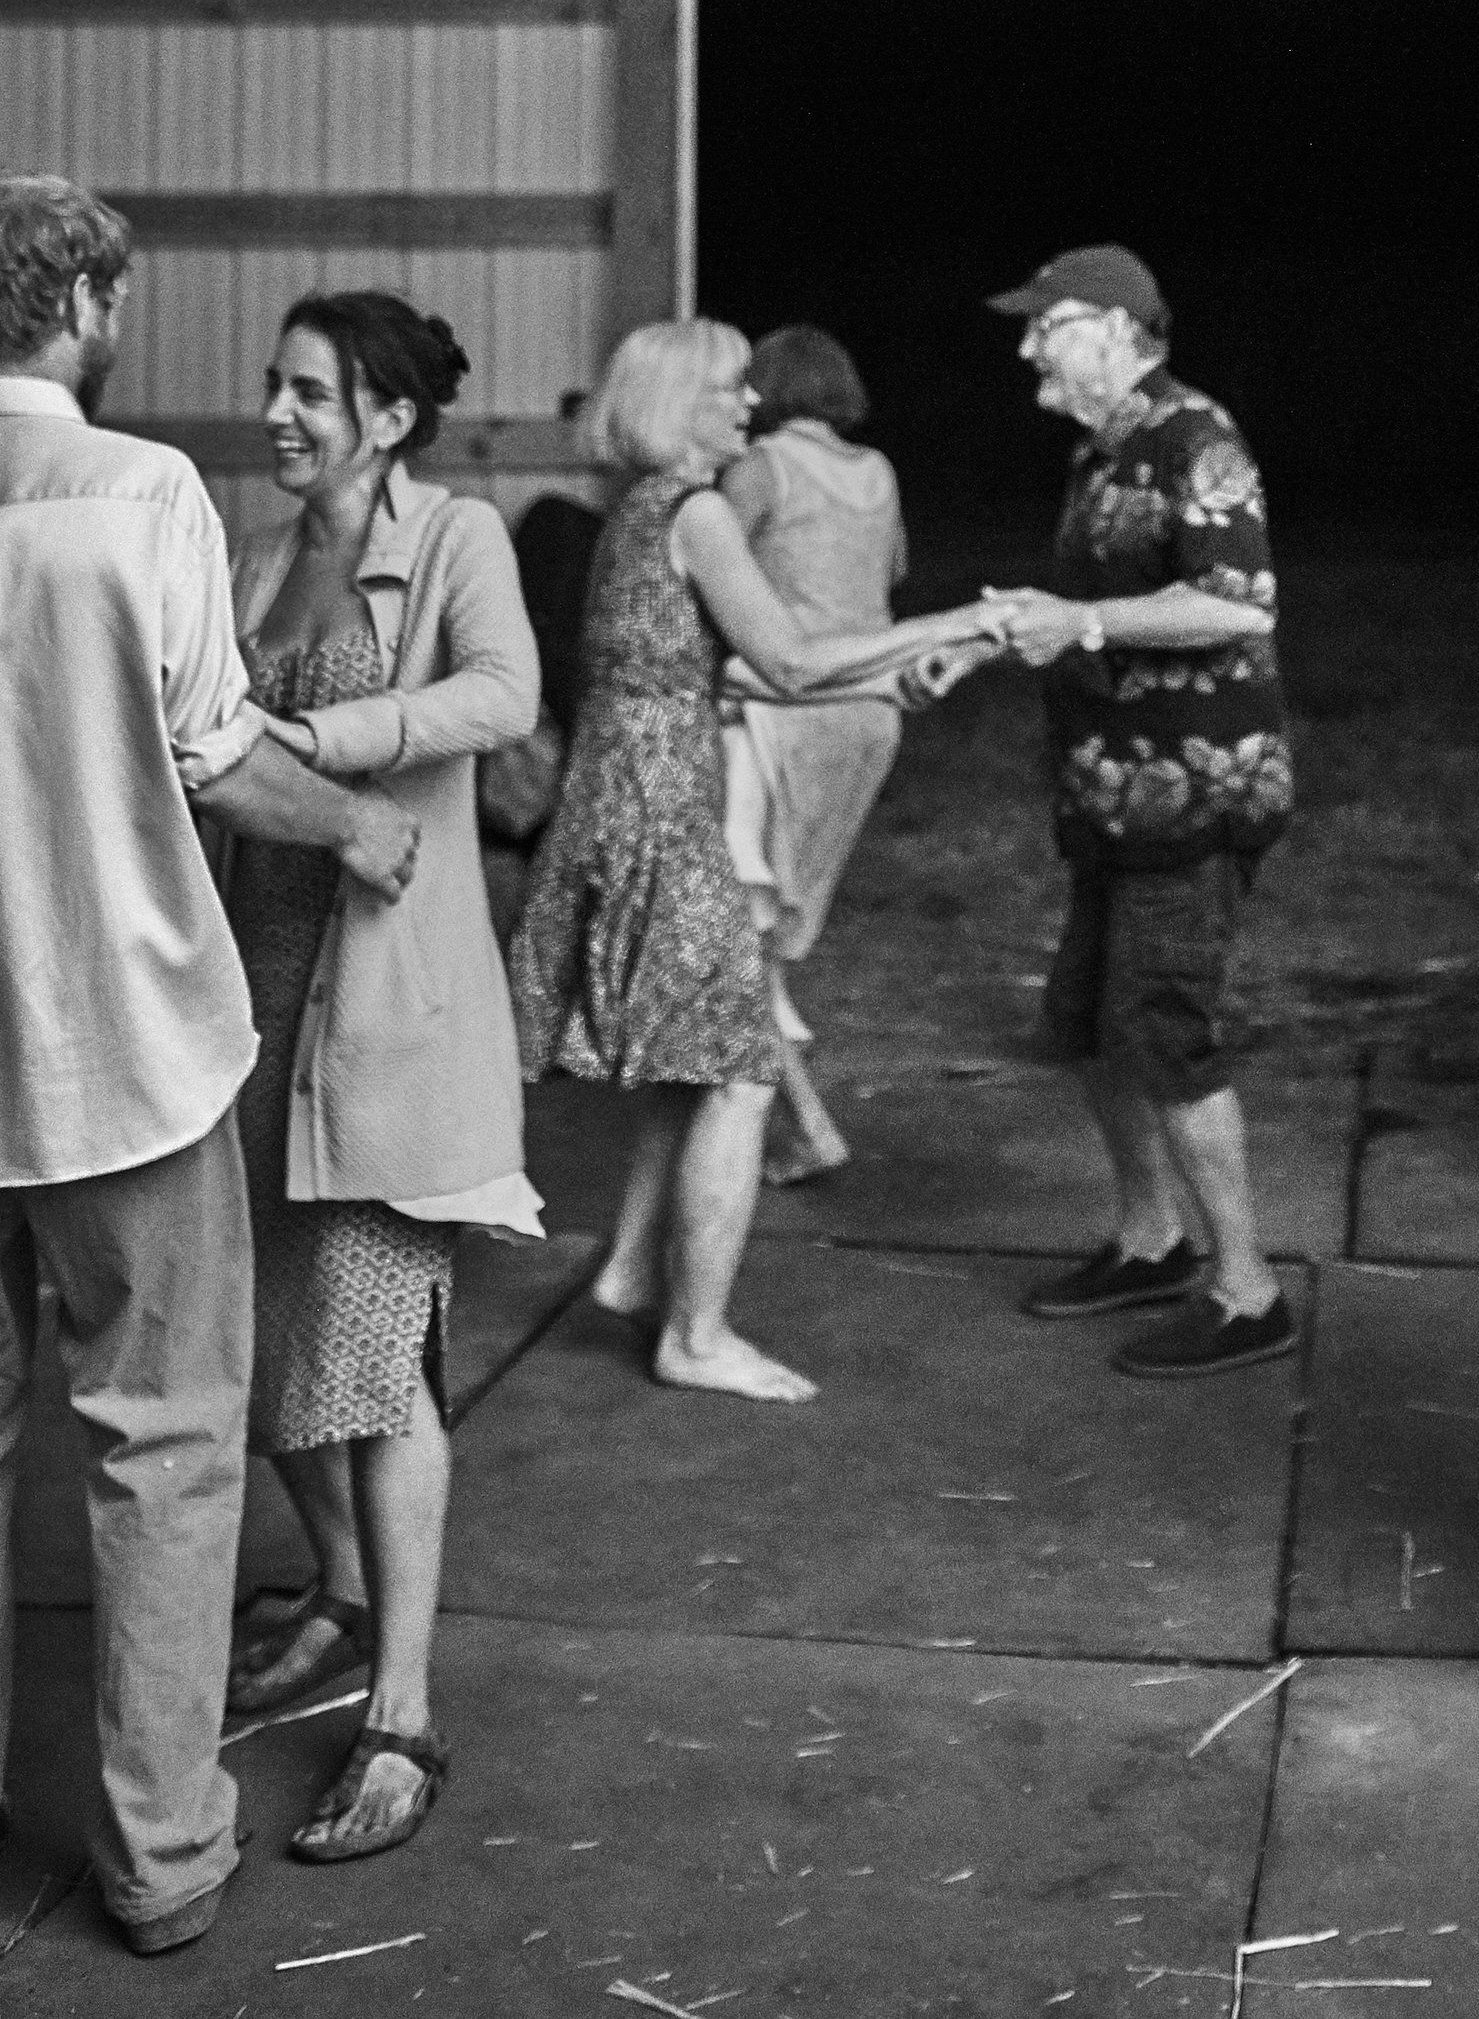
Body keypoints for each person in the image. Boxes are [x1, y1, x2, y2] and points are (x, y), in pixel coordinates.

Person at [0, 180, 418, 1957]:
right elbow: (218, 755)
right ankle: (163, 1855)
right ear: (85, 298)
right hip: (112, 1052)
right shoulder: (136, 490)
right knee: (164, 1448)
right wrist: (368, 830)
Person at [508, 319, 999, 1402]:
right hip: (664, 813)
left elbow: (728, 666)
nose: (748, 407)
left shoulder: (636, 511)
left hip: (623, 800)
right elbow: (785, 655)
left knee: (694, 1056)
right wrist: (950, 623)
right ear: (678, 402)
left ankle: (635, 1272)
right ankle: (698, 1332)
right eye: (730, 391)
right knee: (737, 1068)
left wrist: (889, 666)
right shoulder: (698, 511)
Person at [220, 291, 542, 1866]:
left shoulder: (460, 534)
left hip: (389, 996)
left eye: (309, 391)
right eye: (274, 386)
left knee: (379, 1352)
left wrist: (329, 734)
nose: (277, 413)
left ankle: (402, 1712)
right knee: (270, 1349)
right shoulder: (256, 552)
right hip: (247, 1003)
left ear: (388, 418)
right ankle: (340, 1588)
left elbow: (504, 696)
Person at [984, 247, 1297, 1382]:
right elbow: (1093, 607)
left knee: (1164, 1027)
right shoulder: (1104, 448)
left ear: (1119, 329)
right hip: (1114, 793)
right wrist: (1024, 626)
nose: (1027, 345)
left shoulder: (1193, 439)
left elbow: (1231, 598)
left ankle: (1248, 1288)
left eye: (1047, 323)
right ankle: (1150, 1237)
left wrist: (1085, 625)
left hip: (1193, 792)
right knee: (1085, 1017)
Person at [717, 324, 911, 1185]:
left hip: (778, 711)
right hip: (869, 712)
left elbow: (708, 576)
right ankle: (794, 1117)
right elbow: (893, 569)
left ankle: (798, 1124)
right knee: (769, 937)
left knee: (739, 932)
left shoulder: (760, 469)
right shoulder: (878, 471)